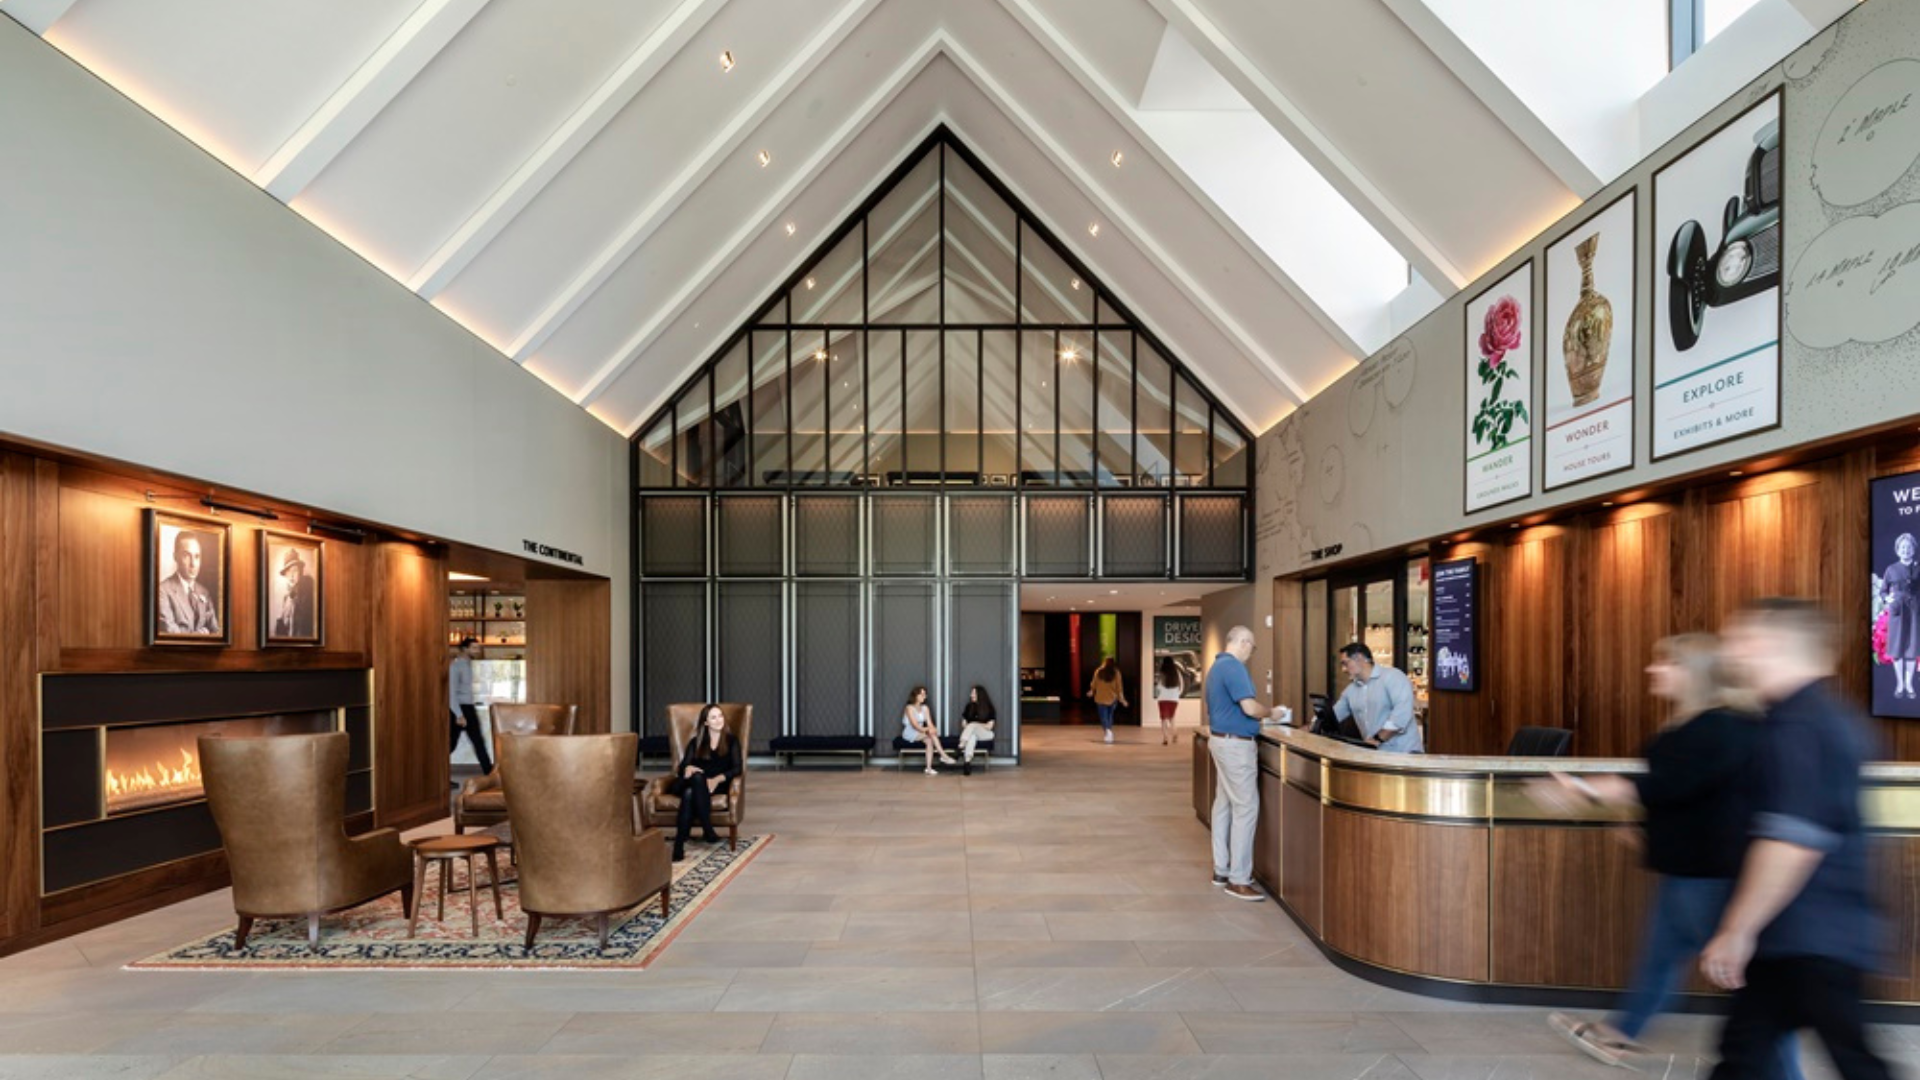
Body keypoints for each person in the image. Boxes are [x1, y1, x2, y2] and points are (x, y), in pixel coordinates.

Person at [1537, 635, 1801, 1078]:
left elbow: (1662, 785)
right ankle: (1620, 1032)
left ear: (1693, 673)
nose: (1653, 671)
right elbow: (1686, 794)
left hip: (1710, 875)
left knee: (1749, 987)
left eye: (1665, 663)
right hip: (1690, 869)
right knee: (1661, 957)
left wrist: (1580, 789)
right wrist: (1643, 829)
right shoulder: (1700, 726)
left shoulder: (1715, 729)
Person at [1699, 599, 1893, 1080]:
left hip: (1809, 936)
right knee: (1744, 1056)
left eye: (1740, 640)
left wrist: (1737, 929)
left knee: (1849, 1062)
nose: (1733, 653)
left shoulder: (1799, 727)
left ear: (1772, 644)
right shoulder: (1822, 716)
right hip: (1806, 935)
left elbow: (1792, 840)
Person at [1207, 626, 1273, 902]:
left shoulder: (1217, 667)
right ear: (1244, 643)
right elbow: (1249, 707)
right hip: (1236, 746)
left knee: (1224, 805)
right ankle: (1238, 879)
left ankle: (1221, 870)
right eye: (1252, 646)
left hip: (1221, 741)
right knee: (1246, 808)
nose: (1251, 652)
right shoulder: (1234, 668)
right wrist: (1272, 711)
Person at [670, 703, 741, 862]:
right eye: (713, 717)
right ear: (706, 722)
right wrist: (687, 768)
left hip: (713, 785)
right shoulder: (697, 742)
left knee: (689, 795)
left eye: (720, 716)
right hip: (692, 782)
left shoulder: (731, 741)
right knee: (695, 779)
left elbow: (737, 769)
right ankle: (708, 829)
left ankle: (679, 844)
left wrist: (716, 780)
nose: (718, 720)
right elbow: (682, 767)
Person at [1331, 643, 1422, 753]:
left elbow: (1401, 715)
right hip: (1376, 756)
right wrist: (1312, 725)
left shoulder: (1393, 677)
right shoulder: (1351, 690)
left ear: (1359, 658)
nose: (1343, 669)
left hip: (1404, 754)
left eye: (1345, 663)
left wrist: (1377, 739)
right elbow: (1334, 715)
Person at [157, 530, 220, 635]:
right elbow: (171, 633)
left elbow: (216, 632)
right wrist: (200, 634)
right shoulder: (163, 590)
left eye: (197, 557)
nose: (193, 564)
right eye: (186, 556)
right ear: (175, 557)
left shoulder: (204, 592)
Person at [448, 636, 493, 776]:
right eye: (474, 648)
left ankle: (490, 774)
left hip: (468, 708)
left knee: (478, 742)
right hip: (460, 709)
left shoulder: (468, 664)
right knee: (451, 744)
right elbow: (451, 692)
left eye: (478, 647)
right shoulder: (456, 666)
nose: (477, 650)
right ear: (464, 649)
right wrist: (459, 714)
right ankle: (436, 776)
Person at [1883, 532, 1917, 700]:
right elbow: (1883, 591)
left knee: (1911, 650)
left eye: (1909, 547)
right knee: (1897, 650)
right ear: (1898, 550)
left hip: (1915, 612)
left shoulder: (1919, 568)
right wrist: (1887, 598)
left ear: (1913, 549)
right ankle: (1900, 684)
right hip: (1897, 613)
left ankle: (1909, 684)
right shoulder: (1891, 569)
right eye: (1902, 547)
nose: (1906, 550)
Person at [901, 686, 956, 775]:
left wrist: (933, 729)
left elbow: (929, 723)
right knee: (931, 734)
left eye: (925, 694)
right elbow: (915, 725)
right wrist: (928, 730)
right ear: (916, 695)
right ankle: (943, 756)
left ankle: (928, 768)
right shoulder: (909, 708)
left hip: (921, 732)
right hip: (910, 732)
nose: (924, 696)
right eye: (922, 694)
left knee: (930, 740)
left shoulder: (925, 708)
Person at [271, 547, 317, 639]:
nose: (291, 575)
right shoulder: (286, 598)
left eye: (295, 571)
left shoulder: (308, 590)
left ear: (300, 572)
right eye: (288, 572)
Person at [957, 685, 996, 775]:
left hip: (986, 734)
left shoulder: (989, 708)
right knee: (972, 736)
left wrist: (975, 725)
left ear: (980, 694)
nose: (971, 695)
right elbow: (963, 723)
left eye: (973, 693)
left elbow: (989, 726)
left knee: (972, 725)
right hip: (971, 733)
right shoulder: (969, 707)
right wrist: (970, 727)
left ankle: (961, 746)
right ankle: (967, 763)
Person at [1089, 657, 1129, 744]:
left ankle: (1108, 732)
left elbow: (1094, 683)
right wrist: (1122, 699)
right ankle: (1108, 732)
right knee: (1109, 716)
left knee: (1103, 717)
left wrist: (1092, 691)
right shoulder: (1116, 673)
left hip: (1100, 698)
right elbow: (1119, 688)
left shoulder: (1098, 671)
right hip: (1112, 698)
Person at [1155, 658, 1184, 746]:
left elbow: (1158, 686)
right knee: (1172, 718)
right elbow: (1181, 685)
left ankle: (1165, 738)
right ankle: (1174, 733)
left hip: (1163, 698)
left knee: (1164, 719)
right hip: (1174, 699)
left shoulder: (1162, 674)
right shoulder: (1177, 673)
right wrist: (1177, 694)